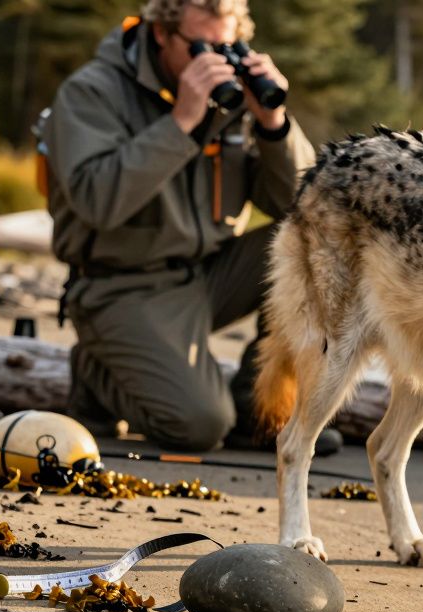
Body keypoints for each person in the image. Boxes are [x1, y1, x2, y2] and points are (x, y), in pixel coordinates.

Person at [42, 0, 340, 454]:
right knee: (199, 426)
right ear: (161, 33)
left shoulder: (230, 95)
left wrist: (274, 127)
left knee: (318, 246)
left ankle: (257, 411)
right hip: (122, 284)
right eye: (201, 46)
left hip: (209, 272)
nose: (215, 61)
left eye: (226, 46)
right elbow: (96, 202)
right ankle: (99, 377)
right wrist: (181, 121)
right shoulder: (92, 92)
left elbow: (307, 204)